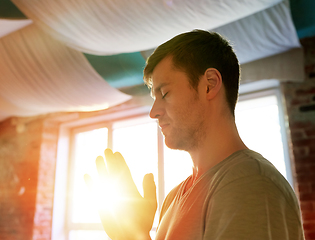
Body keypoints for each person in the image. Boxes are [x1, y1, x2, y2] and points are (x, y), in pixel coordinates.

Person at [84, 30, 305, 240]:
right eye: (154, 98)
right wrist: (134, 235)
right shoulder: (173, 198)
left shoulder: (251, 183)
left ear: (209, 84)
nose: (154, 112)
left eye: (165, 93)